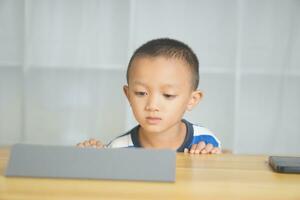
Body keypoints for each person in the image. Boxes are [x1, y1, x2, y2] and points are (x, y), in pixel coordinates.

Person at [77, 38, 221, 154]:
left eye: (168, 95)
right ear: (128, 96)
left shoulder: (206, 141)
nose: (152, 105)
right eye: (141, 93)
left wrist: (208, 160)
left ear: (192, 100)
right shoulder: (118, 150)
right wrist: (90, 158)